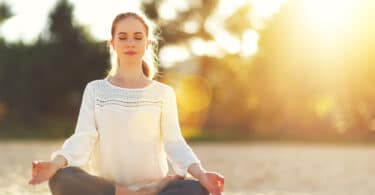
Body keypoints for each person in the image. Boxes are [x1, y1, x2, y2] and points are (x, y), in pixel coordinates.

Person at [28, 12, 224, 195]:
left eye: (138, 37)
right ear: (112, 43)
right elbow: (83, 137)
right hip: (110, 189)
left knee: (197, 189)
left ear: (147, 43)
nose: (130, 42)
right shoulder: (95, 90)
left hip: (152, 186)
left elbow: (174, 143)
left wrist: (201, 174)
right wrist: (54, 165)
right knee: (62, 178)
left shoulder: (163, 93)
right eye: (123, 37)